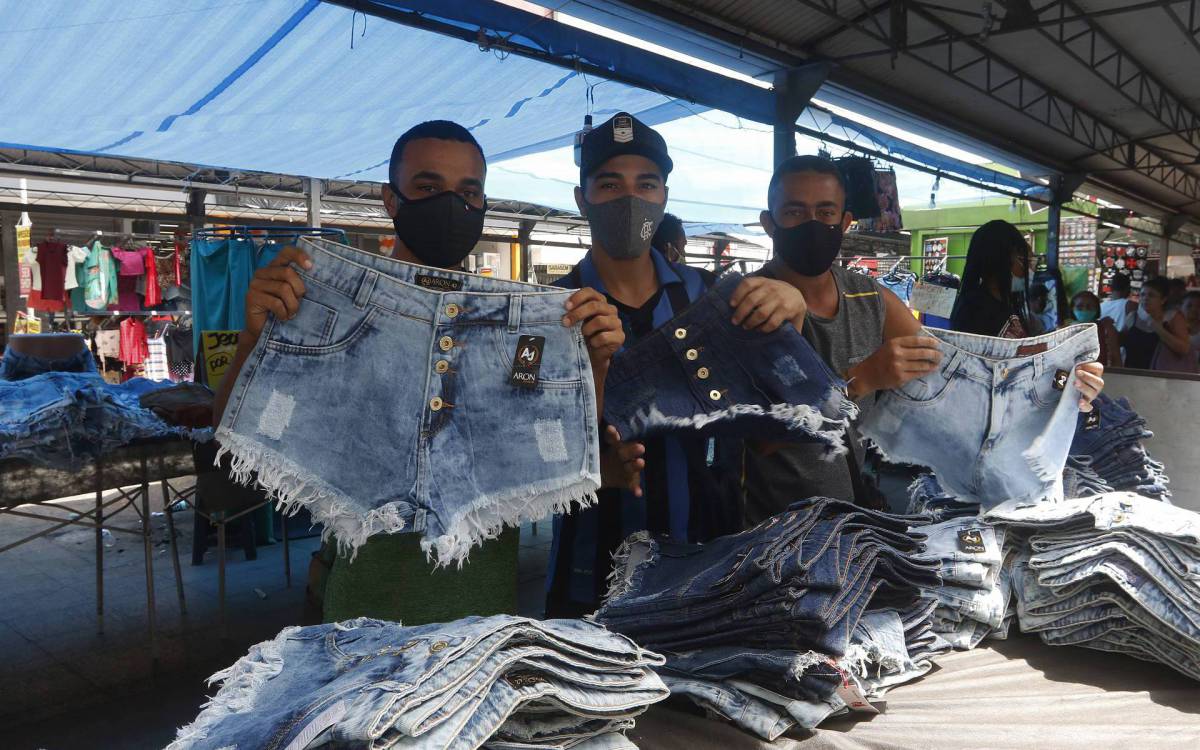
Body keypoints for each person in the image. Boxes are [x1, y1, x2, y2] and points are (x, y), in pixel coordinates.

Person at [211, 120, 625, 626]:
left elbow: (550, 443)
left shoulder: (523, 335)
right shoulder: (338, 311)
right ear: (391, 199)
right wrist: (255, 341)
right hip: (356, 618)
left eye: (468, 193)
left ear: (483, 203)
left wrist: (592, 363)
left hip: (479, 625)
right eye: (428, 188)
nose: (452, 205)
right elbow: (241, 433)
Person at [741, 158, 1105, 525]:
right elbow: (758, 437)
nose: (812, 225)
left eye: (825, 212)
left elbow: (958, 378)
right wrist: (860, 380)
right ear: (769, 223)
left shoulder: (869, 298)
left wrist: (1057, 384)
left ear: (845, 221)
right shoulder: (741, 304)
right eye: (794, 212)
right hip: (763, 526)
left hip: (843, 520)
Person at [545, 112, 809, 617]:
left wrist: (791, 315)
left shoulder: (715, 299)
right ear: (582, 199)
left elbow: (769, 430)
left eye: (646, 185)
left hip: (712, 562)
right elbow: (529, 451)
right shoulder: (550, 309)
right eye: (609, 185)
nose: (630, 200)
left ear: (664, 196)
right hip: (588, 578)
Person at [949, 220, 1039, 337]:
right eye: (1024, 261)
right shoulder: (974, 311)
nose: (1030, 270)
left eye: (1031, 262)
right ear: (1001, 261)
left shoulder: (1009, 303)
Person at [1130, 277, 1197, 372]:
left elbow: (1184, 349)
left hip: (1161, 374)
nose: (1145, 298)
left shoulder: (1173, 318)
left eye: (1151, 295)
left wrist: (1158, 328)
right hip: (1133, 371)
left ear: (1163, 300)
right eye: (1142, 294)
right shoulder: (1132, 317)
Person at [1070, 290, 1121, 368]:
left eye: (1089, 307)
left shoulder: (1106, 328)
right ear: (1072, 309)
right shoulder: (1064, 329)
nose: (1085, 310)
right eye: (1079, 307)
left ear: (1096, 309)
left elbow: (1116, 357)